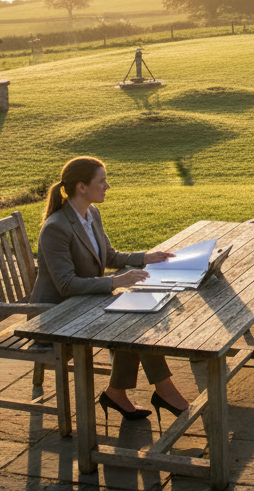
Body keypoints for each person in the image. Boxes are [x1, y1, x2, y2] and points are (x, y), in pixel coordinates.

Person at [31, 156, 192, 423]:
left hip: (85, 303)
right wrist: (117, 281)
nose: (108, 186)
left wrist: (145, 257)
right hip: (55, 316)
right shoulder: (56, 228)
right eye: (102, 181)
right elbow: (66, 284)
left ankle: (118, 392)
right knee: (132, 322)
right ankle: (161, 391)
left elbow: (108, 256)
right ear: (81, 187)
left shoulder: (91, 213)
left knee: (138, 317)